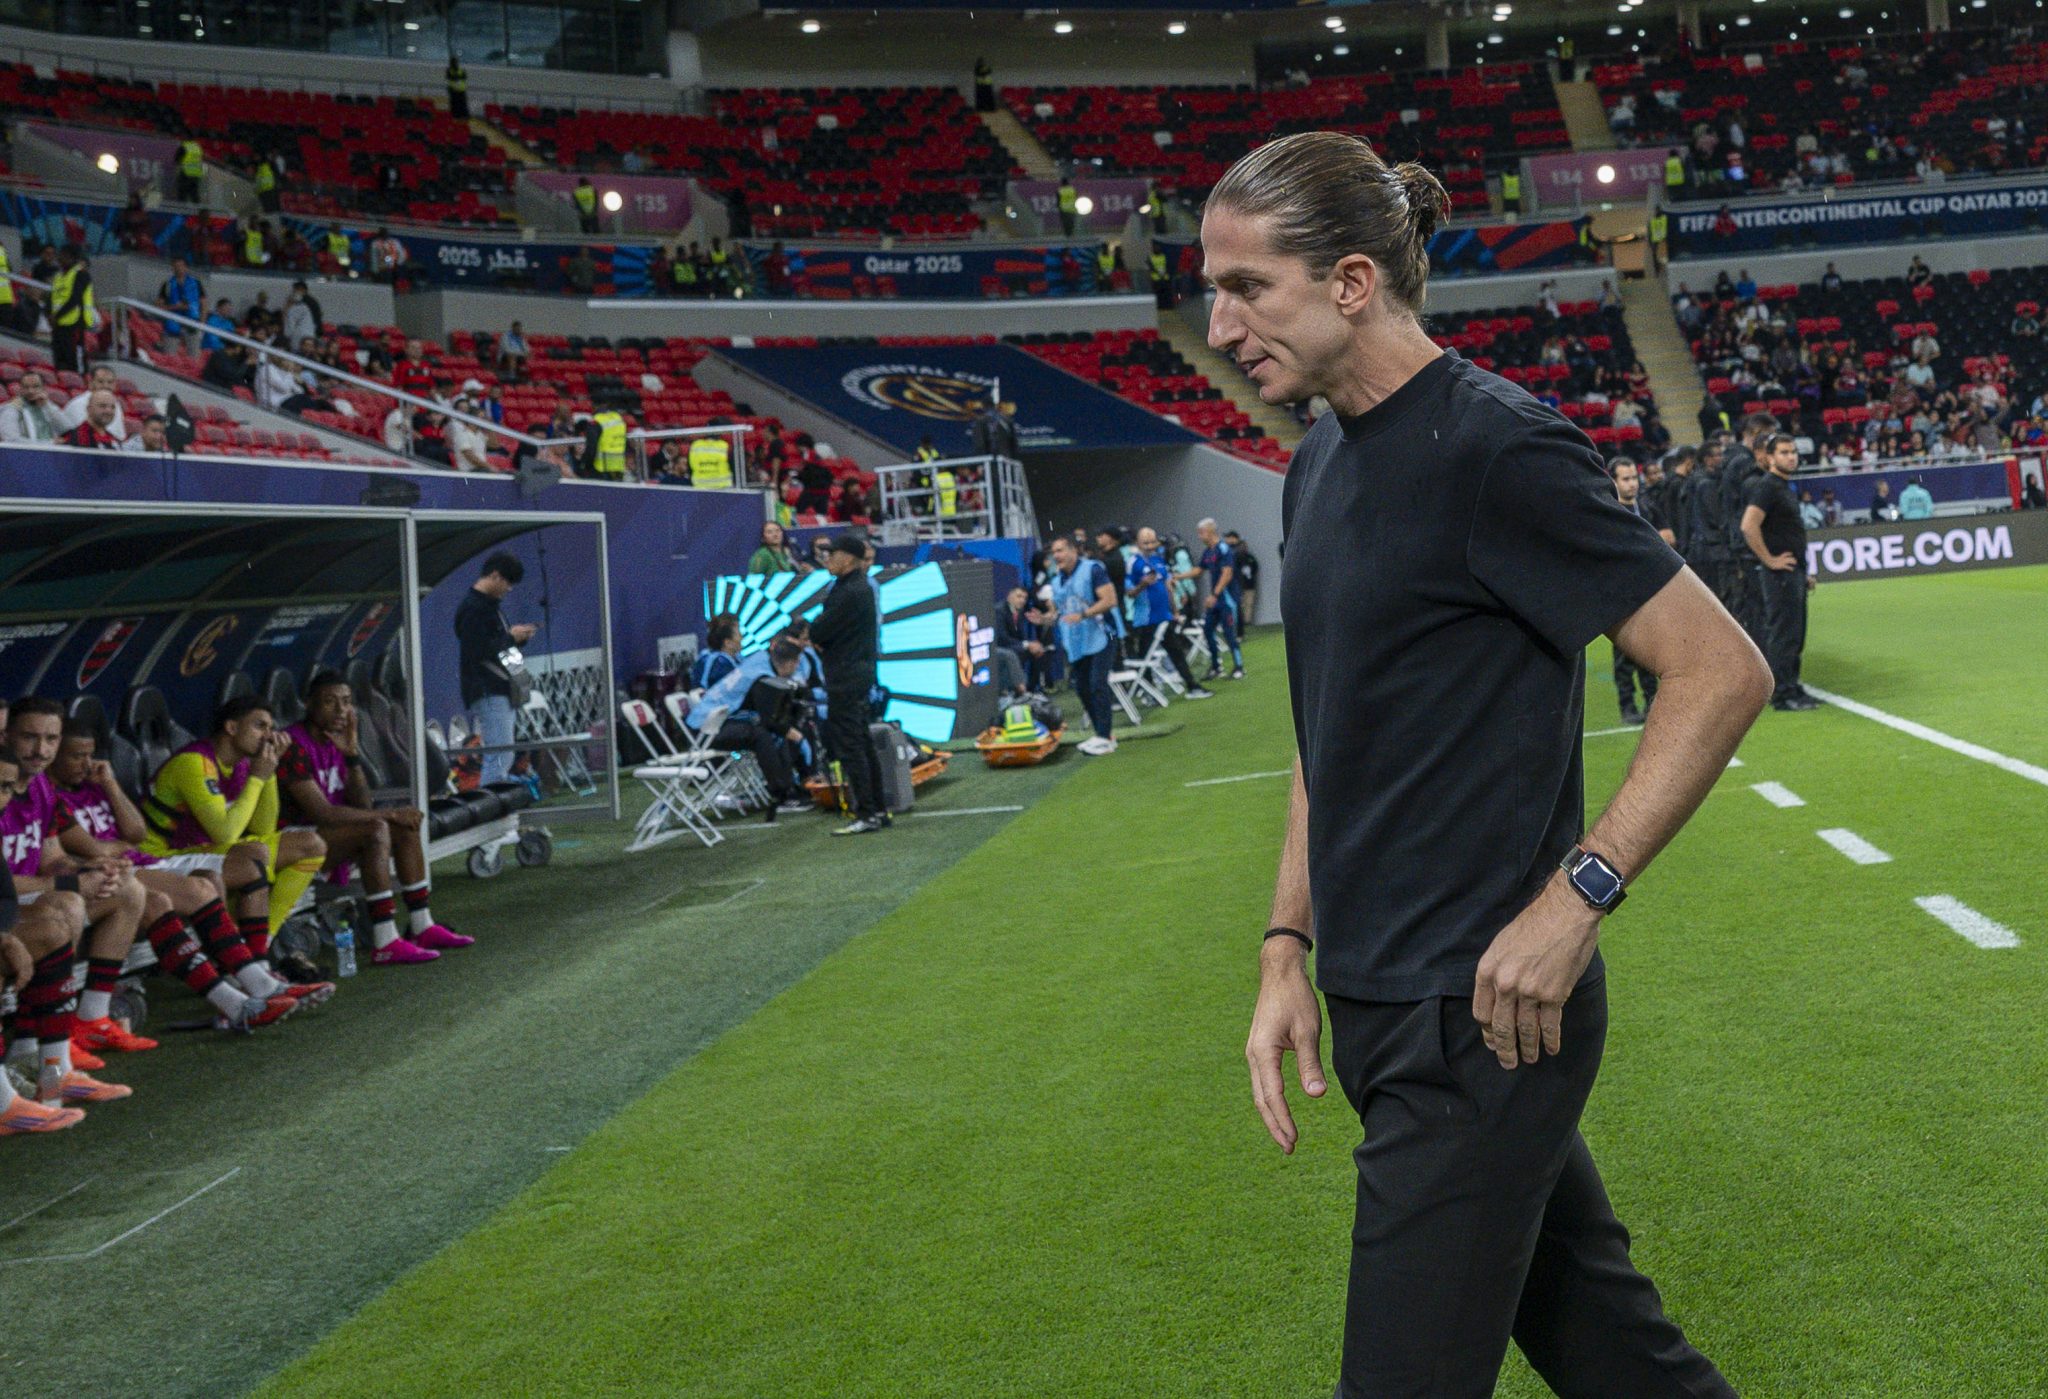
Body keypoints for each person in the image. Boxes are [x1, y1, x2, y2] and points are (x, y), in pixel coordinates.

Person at [1211, 130, 1755, 1399]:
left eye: (1247, 287)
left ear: (1350, 282)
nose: (1220, 322)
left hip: (1482, 1024)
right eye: (1212, 290)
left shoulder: (1496, 448)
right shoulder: (1316, 462)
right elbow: (1325, 731)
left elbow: (1717, 668)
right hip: (1375, 1003)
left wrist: (1579, 896)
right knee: (1615, 1358)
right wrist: (1284, 945)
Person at [45, 718, 300, 1034]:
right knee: (184, 894)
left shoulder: (92, 786)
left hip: (137, 862)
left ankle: (249, 986)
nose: (86, 764)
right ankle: (248, 993)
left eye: (90, 755)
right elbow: (92, 850)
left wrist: (109, 784)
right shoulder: (49, 796)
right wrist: (115, 848)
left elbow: (136, 833)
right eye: (76, 756)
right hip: (110, 874)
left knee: (217, 878)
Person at [137, 696, 337, 1006]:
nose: (268, 736)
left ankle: (262, 954)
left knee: (310, 845)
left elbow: (264, 827)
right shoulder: (195, 763)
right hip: (159, 857)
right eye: (259, 726)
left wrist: (266, 774)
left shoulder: (241, 765)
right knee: (253, 855)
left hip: (201, 851)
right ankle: (255, 968)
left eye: (271, 728)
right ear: (231, 727)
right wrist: (258, 777)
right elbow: (226, 833)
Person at [279, 673, 469, 966]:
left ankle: (422, 925)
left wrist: (352, 755)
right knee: (378, 827)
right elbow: (323, 813)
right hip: (295, 839)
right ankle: (385, 940)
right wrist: (390, 812)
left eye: (346, 702)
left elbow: (362, 803)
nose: (341, 711)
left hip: (330, 836)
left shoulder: (334, 741)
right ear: (308, 704)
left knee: (403, 827)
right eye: (330, 702)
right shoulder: (293, 744)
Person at [808, 535, 887, 835]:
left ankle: (867, 812)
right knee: (861, 741)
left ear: (849, 558)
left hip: (846, 676)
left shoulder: (850, 591)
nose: (827, 559)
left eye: (833, 554)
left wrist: (819, 635)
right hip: (855, 672)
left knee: (851, 744)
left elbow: (820, 629)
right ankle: (877, 808)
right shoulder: (856, 587)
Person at [687, 637, 816, 819]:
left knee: (775, 732)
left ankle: (793, 784)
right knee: (762, 736)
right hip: (706, 728)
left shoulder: (762, 660)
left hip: (715, 721)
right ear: (790, 663)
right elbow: (767, 720)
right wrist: (793, 734)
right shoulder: (763, 678)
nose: (797, 669)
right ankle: (781, 794)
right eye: (797, 664)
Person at [1741, 432, 1819, 712]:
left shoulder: (1783, 487)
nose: (1791, 456)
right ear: (1770, 457)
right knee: (1784, 633)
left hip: (1793, 571)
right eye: (1784, 452)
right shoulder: (1768, 487)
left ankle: (1792, 686)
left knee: (1795, 632)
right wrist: (1770, 560)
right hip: (1779, 575)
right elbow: (1748, 526)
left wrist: (1803, 570)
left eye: (1793, 452)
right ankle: (1783, 694)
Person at [455, 553, 536, 788]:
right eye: (508, 583)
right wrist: (511, 637)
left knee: (504, 754)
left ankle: (497, 806)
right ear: (495, 575)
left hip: (497, 688)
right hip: (487, 689)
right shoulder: (473, 608)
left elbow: (492, 644)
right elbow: (476, 651)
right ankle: (493, 808)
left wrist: (515, 639)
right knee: (499, 755)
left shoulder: (489, 607)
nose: (509, 589)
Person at [1047, 533, 1121, 755]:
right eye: (1054, 553)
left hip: (1103, 634)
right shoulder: (1056, 579)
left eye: (1060, 550)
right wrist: (1045, 619)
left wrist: (1084, 614)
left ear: (1073, 550)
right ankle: (1102, 734)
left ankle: (1105, 736)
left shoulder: (1093, 569)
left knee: (1098, 683)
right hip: (1077, 641)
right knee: (1082, 688)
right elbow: (1060, 611)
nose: (1056, 556)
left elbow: (1110, 600)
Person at [1127, 527, 1212, 698]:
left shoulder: (1158, 560)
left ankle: (1192, 686)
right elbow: (1129, 592)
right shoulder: (1133, 563)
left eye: (1152, 542)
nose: (1150, 545)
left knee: (1176, 652)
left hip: (1164, 617)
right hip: (1146, 619)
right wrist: (1142, 584)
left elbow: (1168, 587)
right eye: (1146, 542)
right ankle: (1149, 693)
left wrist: (1174, 611)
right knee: (1145, 658)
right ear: (1138, 543)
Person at [1608, 459, 1661, 725]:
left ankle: (1653, 702)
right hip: (1619, 592)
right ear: (1614, 481)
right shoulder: (1608, 512)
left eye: (1633, 478)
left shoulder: (1647, 509)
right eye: (1625, 479)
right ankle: (1627, 707)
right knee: (1624, 657)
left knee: (1650, 651)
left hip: (1647, 589)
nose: (1632, 484)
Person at [1181, 518, 1244, 680]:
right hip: (1214, 601)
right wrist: (1177, 576)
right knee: (1208, 630)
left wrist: (1214, 595)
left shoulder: (1223, 549)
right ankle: (1216, 666)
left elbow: (1227, 574)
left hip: (1226, 599)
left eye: (1201, 533)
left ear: (1210, 531)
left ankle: (1239, 666)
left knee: (1229, 633)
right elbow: (1199, 570)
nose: (1200, 536)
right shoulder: (1208, 552)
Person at [993, 584, 1054, 694]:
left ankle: (1032, 689)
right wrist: (1026, 645)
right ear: (1009, 596)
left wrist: (1031, 644)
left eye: (1024, 598)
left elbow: (1020, 636)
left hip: (1013, 645)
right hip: (1000, 647)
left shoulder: (1020, 611)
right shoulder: (999, 610)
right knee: (1015, 653)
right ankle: (1021, 691)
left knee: (1039, 651)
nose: (1022, 600)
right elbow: (1001, 638)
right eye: (1019, 596)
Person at [47, 243, 94, 378]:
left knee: (75, 360)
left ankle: (79, 384)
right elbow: (51, 297)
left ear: (72, 258)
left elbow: (75, 298)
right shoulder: (58, 276)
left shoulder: (81, 274)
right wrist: (49, 314)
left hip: (75, 323)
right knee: (59, 358)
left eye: (63, 256)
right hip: (58, 325)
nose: (59, 258)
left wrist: (57, 315)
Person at [0, 369, 64, 443]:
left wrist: (48, 405)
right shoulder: (12, 408)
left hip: (51, 452)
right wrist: (49, 443)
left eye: (35, 387)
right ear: (20, 389)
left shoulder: (47, 407)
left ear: (43, 388)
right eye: (26, 387)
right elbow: (11, 440)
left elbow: (66, 428)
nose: (31, 391)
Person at [155, 256, 206, 346]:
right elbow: (158, 307)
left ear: (186, 267)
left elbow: (204, 305)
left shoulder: (196, 283)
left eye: (181, 266)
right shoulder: (167, 284)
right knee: (170, 354)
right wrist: (175, 307)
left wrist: (201, 325)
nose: (178, 269)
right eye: (176, 266)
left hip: (193, 323)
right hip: (172, 324)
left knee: (194, 355)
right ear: (173, 268)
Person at [693, 613, 743, 690]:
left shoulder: (736, 658)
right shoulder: (720, 665)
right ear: (728, 642)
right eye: (738, 633)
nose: (742, 637)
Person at [1223, 529, 1260, 623]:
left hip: (1247, 584)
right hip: (1238, 584)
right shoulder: (1230, 552)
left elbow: (1254, 568)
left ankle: (1246, 623)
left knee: (1248, 604)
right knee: (1240, 604)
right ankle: (1239, 622)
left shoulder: (1245, 557)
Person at [445, 52, 469, 121]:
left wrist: (457, 77)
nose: (454, 64)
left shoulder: (461, 70)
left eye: (455, 62)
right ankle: (456, 116)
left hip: (461, 90)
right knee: (455, 105)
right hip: (453, 90)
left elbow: (464, 77)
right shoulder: (449, 70)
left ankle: (464, 116)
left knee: (463, 104)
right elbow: (451, 77)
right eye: (453, 62)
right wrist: (458, 77)